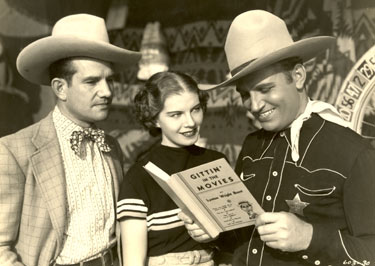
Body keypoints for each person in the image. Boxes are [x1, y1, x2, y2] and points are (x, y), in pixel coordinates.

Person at [180, 10, 375, 266]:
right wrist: (213, 233)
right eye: (245, 94)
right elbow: (243, 238)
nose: (255, 105)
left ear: (298, 76)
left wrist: (309, 238)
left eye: (265, 89)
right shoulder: (251, 146)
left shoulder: (354, 152)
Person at [0, 14, 141, 266]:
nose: (107, 91)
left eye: (109, 79)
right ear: (60, 88)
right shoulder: (14, 150)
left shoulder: (111, 145)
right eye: (91, 81)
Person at [116, 71, 227, 266]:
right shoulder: (139, 176)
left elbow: (237, 239)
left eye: (195, 109)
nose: (190, 122)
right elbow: (133, 261)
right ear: (154, 119)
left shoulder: (217, 163)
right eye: (176, 114)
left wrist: (214, 236)